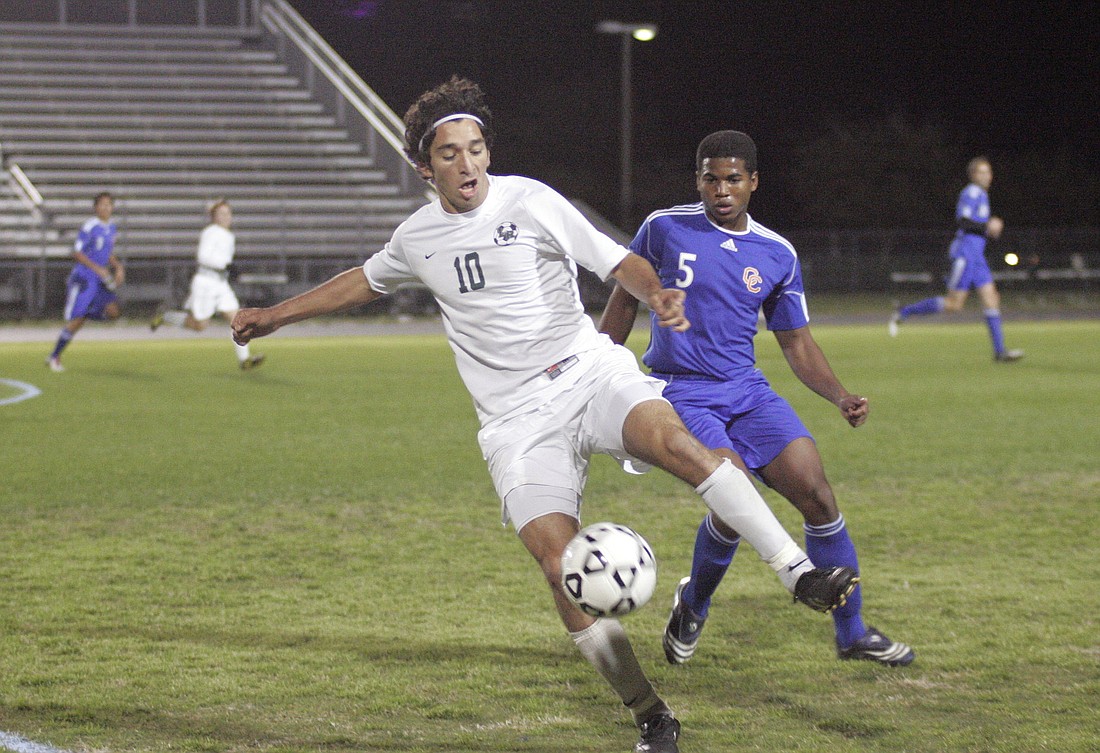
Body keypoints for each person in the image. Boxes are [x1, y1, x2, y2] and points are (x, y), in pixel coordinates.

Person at [232, 78, 858, 753]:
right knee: (561, 566)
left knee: (677, 443)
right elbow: (363, 278)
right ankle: (651, 713)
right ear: (425, 167)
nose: (468, 164)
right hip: (514, 420)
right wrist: (272, 316)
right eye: (450, 154)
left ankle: (799, 573)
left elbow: (619, 260)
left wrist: (659, 294)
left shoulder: (531, 201)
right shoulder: (417, 237)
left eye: (476, 149)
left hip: (588, 372)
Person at [599, 130, 915, 668]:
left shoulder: (776, 253)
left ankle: (852, 633)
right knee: (734, 493)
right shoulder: (663, 227)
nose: (720, 190)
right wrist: (594, 368)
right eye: (710, 178)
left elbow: (795, 340)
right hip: (683, 393)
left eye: (732, 180)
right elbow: (625, 302)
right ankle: (693, 605)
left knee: (817, 495)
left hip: (747, 391)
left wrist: (839, 395)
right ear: (698, 179)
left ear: (752, 183)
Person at [888, 156, 1024, 362]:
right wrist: (987, 226)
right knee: (954, 304)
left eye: (988, 171)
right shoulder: (971, 192)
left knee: (991, 298)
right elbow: (963, 220)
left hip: (977, 256)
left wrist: (988, 230)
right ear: (973, 175)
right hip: (965, 254)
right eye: (982, 172)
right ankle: (904, 311)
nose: (987, 176)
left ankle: (1000, 351)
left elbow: (976, 227)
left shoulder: (983, 195)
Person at [150, 199, 264, 370]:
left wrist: (228, 269)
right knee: (199, 326)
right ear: (214, 217)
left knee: (238, 320)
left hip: (221, 283)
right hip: (206, 282)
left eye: (228, 213)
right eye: (222, 214)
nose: (226, 217)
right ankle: (166, 316)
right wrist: (225, 265)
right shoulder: (211, 232)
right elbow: (203, 257)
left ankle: (245, 360)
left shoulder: (228, 235)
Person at [46, 191, 125, 372]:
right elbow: (77, 252)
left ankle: (88, 313)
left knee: (113, 311)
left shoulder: (111, 227)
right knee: (76, 320)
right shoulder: (90, 226)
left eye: (109, 205)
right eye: (102, 205)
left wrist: (118, 266)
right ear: (96, 208)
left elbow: (107, 252)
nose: (106, 208)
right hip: (84, 278)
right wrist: (97, 268)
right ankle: (54, 356)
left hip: (100, 279)